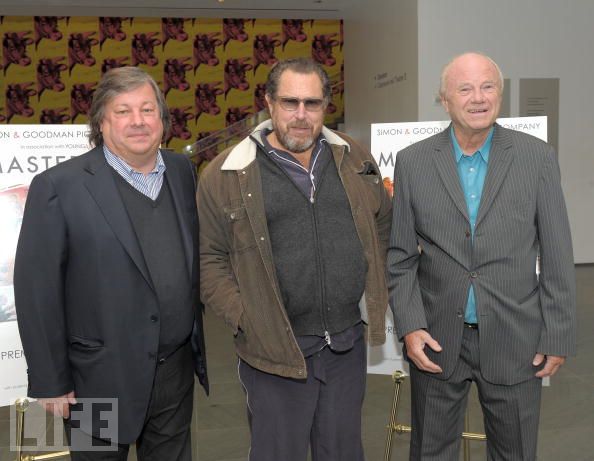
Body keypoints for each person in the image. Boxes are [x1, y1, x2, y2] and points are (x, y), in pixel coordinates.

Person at [198, 57, 391, 461]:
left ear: (326, 106)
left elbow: (383, 225)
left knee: (342, 452)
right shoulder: (226, 174)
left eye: (312, 103)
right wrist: (246, 317)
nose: (301, 115)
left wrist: (375, 288)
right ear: (269, 103)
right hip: (274, 353)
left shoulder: (354, 158)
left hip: (345, 345)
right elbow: (209, 259)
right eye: (290, 102)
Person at [387, 52, 576, 460]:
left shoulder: (536, 158)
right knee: (430, 452)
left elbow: (558, 254)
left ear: (501, 95)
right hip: (436, 339)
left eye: (488, 86)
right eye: (465, 88)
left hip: (516, 339)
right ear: (444, 99)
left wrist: (557, 334)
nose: (478, 97)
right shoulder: (413, 162)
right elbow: (400, 257)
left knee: (516, 453)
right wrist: (410, 325)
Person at [14, 66, 208, 461]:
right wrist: (50, 381)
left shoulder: (182, 172)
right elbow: (37, 290)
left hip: (174, 373)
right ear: (101, 122)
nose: (138, 121)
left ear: (163, 120)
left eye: (147, 109)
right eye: (123, 111)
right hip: (97, 381)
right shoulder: (59, 187)